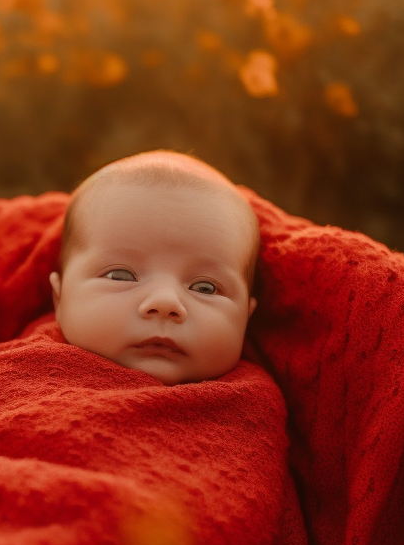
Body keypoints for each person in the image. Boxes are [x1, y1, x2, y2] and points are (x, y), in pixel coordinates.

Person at [49, 150, 260, 386]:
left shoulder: (255, 400)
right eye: (121, 276)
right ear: (59, 298)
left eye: (205, 288)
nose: (165, 302)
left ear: (245, 318)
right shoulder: (30, 370)